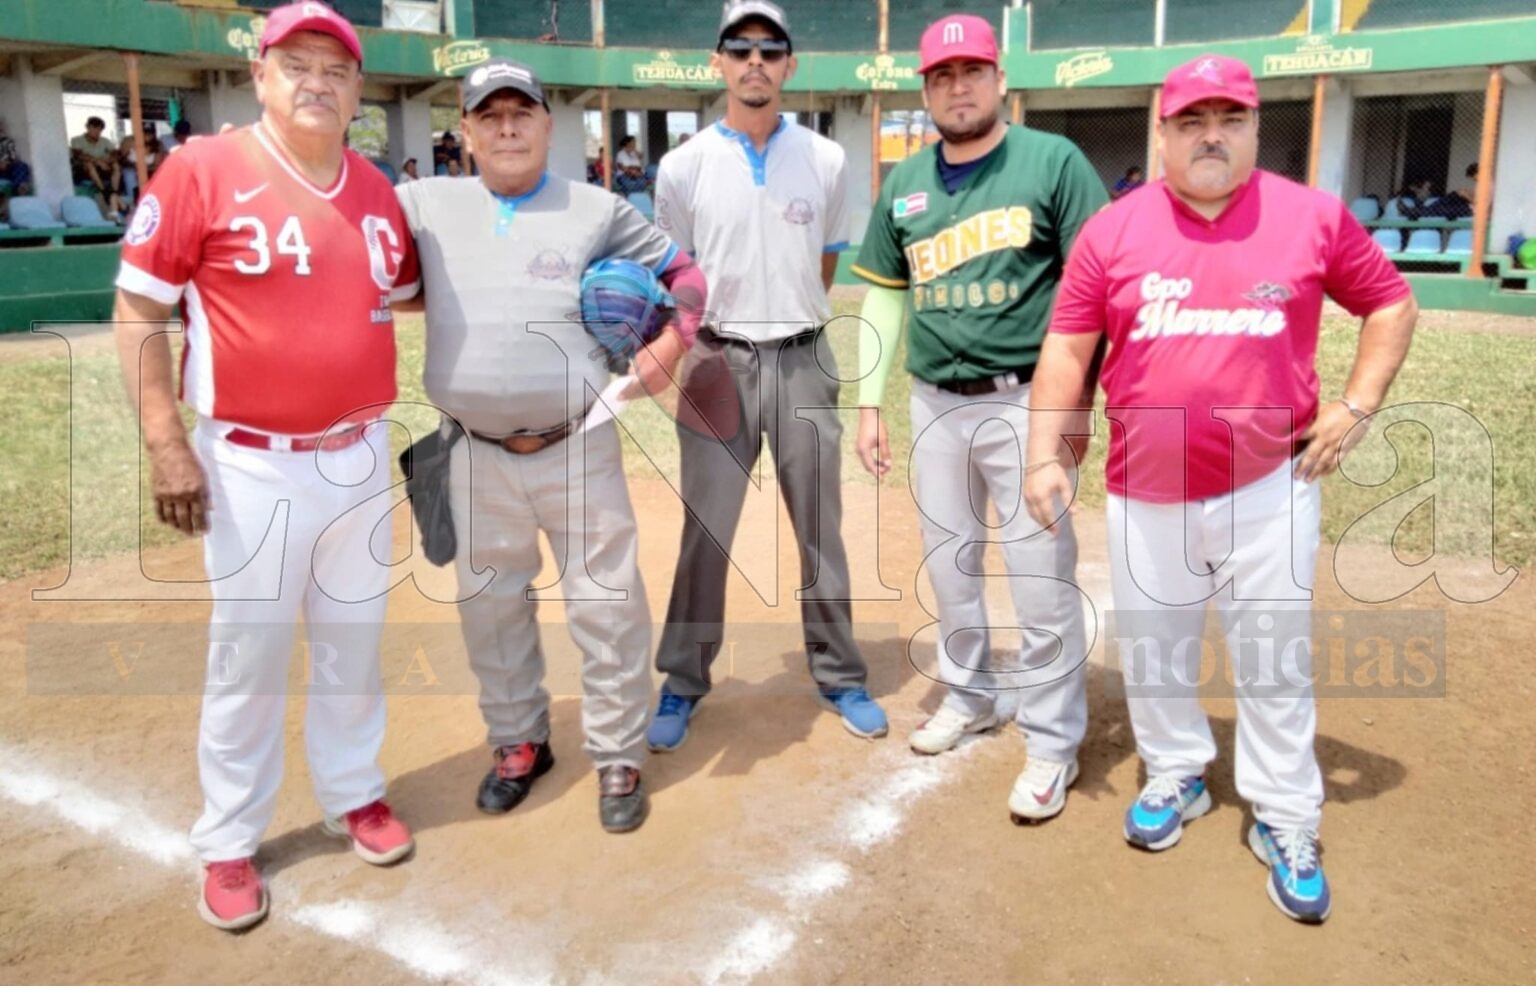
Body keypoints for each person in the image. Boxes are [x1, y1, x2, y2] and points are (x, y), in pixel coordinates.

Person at [1024, 54, 1418, 923]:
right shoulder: (1114, 230)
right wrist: (1044, 453)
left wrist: (1357, 404)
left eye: (1229, 118)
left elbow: (1390, 304)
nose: (1211, 135)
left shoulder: (1311, 217)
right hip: (1142, 482)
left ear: (1254, 127)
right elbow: (1067, 347)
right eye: (1191, 120)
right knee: (1158, 650)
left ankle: (1285, 812)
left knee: (1272, 657)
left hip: (1270, 484)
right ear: (1160, 132)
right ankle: (1176, 773)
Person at [110, 2, 421, 932]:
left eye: (336, 66)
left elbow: (411, 295)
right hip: (251, 462)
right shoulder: (203, 169)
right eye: (298, 63)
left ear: (360, 88)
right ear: (260, 75)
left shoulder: (374, 189)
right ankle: (229, 839)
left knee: (352, 645)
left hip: (359, 455)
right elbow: (138, 315)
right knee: (247, 657)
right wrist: (168, 444)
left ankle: (354, 793)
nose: (317, 80)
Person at [392, 59, 708, 833]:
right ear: (463, 131)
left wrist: (673, 344)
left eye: (521, 113)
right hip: (472, 450)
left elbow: (686, 273)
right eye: (488, 115)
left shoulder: (596, 207)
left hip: (578, 441)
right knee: (490, 611)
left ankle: (617, 751)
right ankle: (518, 742)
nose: (506, 126)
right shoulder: (421, 204)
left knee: (606, 606)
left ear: (546, 125)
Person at [850, 13, 1105, 820]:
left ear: (1000, 80)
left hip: (1029, 400)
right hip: (934, 403)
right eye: (941, 76)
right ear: (926, 90)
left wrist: (1078, 411)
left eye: (971, 71)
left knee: (1040, 578)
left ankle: (1052, 742)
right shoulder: (905, 182)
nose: (957, 87)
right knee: (951, 566)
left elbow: (1098, 285)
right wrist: (868, 400)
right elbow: (885, 296)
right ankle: (970, 696)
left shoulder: (1052, 162)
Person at [645, 0, 887, 750]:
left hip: (803, 356)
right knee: (705, 530)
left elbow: (822, 264)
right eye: (739, 47)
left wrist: (787, 313)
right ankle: (683, 679)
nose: (755, 60)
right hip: (716, 359)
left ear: (789, 65)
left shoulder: (826, 159)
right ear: (717, 62)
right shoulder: (682, 167)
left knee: (821, 525)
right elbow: (678, 278)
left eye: (769, 48)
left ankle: (840, 672)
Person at [70, 115, 126, 218]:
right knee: (89, 164)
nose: (96, 131)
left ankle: (114, 191)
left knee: (116, 165)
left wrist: (109, 160)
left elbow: (115, 154)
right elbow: (78, 155)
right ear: (87, 127)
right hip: (83, 170)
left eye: (99, 129)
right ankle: (104, 191)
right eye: (93, 128)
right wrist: (98, 161)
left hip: (103, 169)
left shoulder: (105, 141)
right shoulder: (77, 139)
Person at [0, 117, 34, 196]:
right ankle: (16, 188)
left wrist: (6, 163)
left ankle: (20, 188)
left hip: (6, 168)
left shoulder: (7, 141)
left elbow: (13, 157)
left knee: (22, 166)